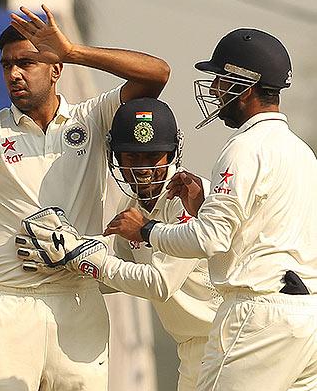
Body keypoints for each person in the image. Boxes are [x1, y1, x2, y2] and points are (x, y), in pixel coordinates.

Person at [0, 5, 170, 390]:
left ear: (55, 70)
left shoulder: (92, 118)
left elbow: (158, 74)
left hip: (78, 300)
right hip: (7, 303)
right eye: (7, 65)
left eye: (27, 62)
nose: (14, 74)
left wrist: (73, 51)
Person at [104, 28, 317, 390]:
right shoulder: (301, 152)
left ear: (245, 86)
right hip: (306, 319)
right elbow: (259, 231)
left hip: (258, 314)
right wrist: (205, 203)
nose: (215, 90)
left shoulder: (243, 148)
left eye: (221, 80)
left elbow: (211, 239)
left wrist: (146, 231)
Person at [15, 97, 222, 391]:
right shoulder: (132, 205)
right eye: (133, 157)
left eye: (153, 157)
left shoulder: (188, 199)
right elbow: (115, 275)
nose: (144, 169)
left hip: (227, 341)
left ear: (172, 153)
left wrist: (81, 256)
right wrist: (60, 262)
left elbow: (159, 284)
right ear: (116, 157)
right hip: (192, 349)